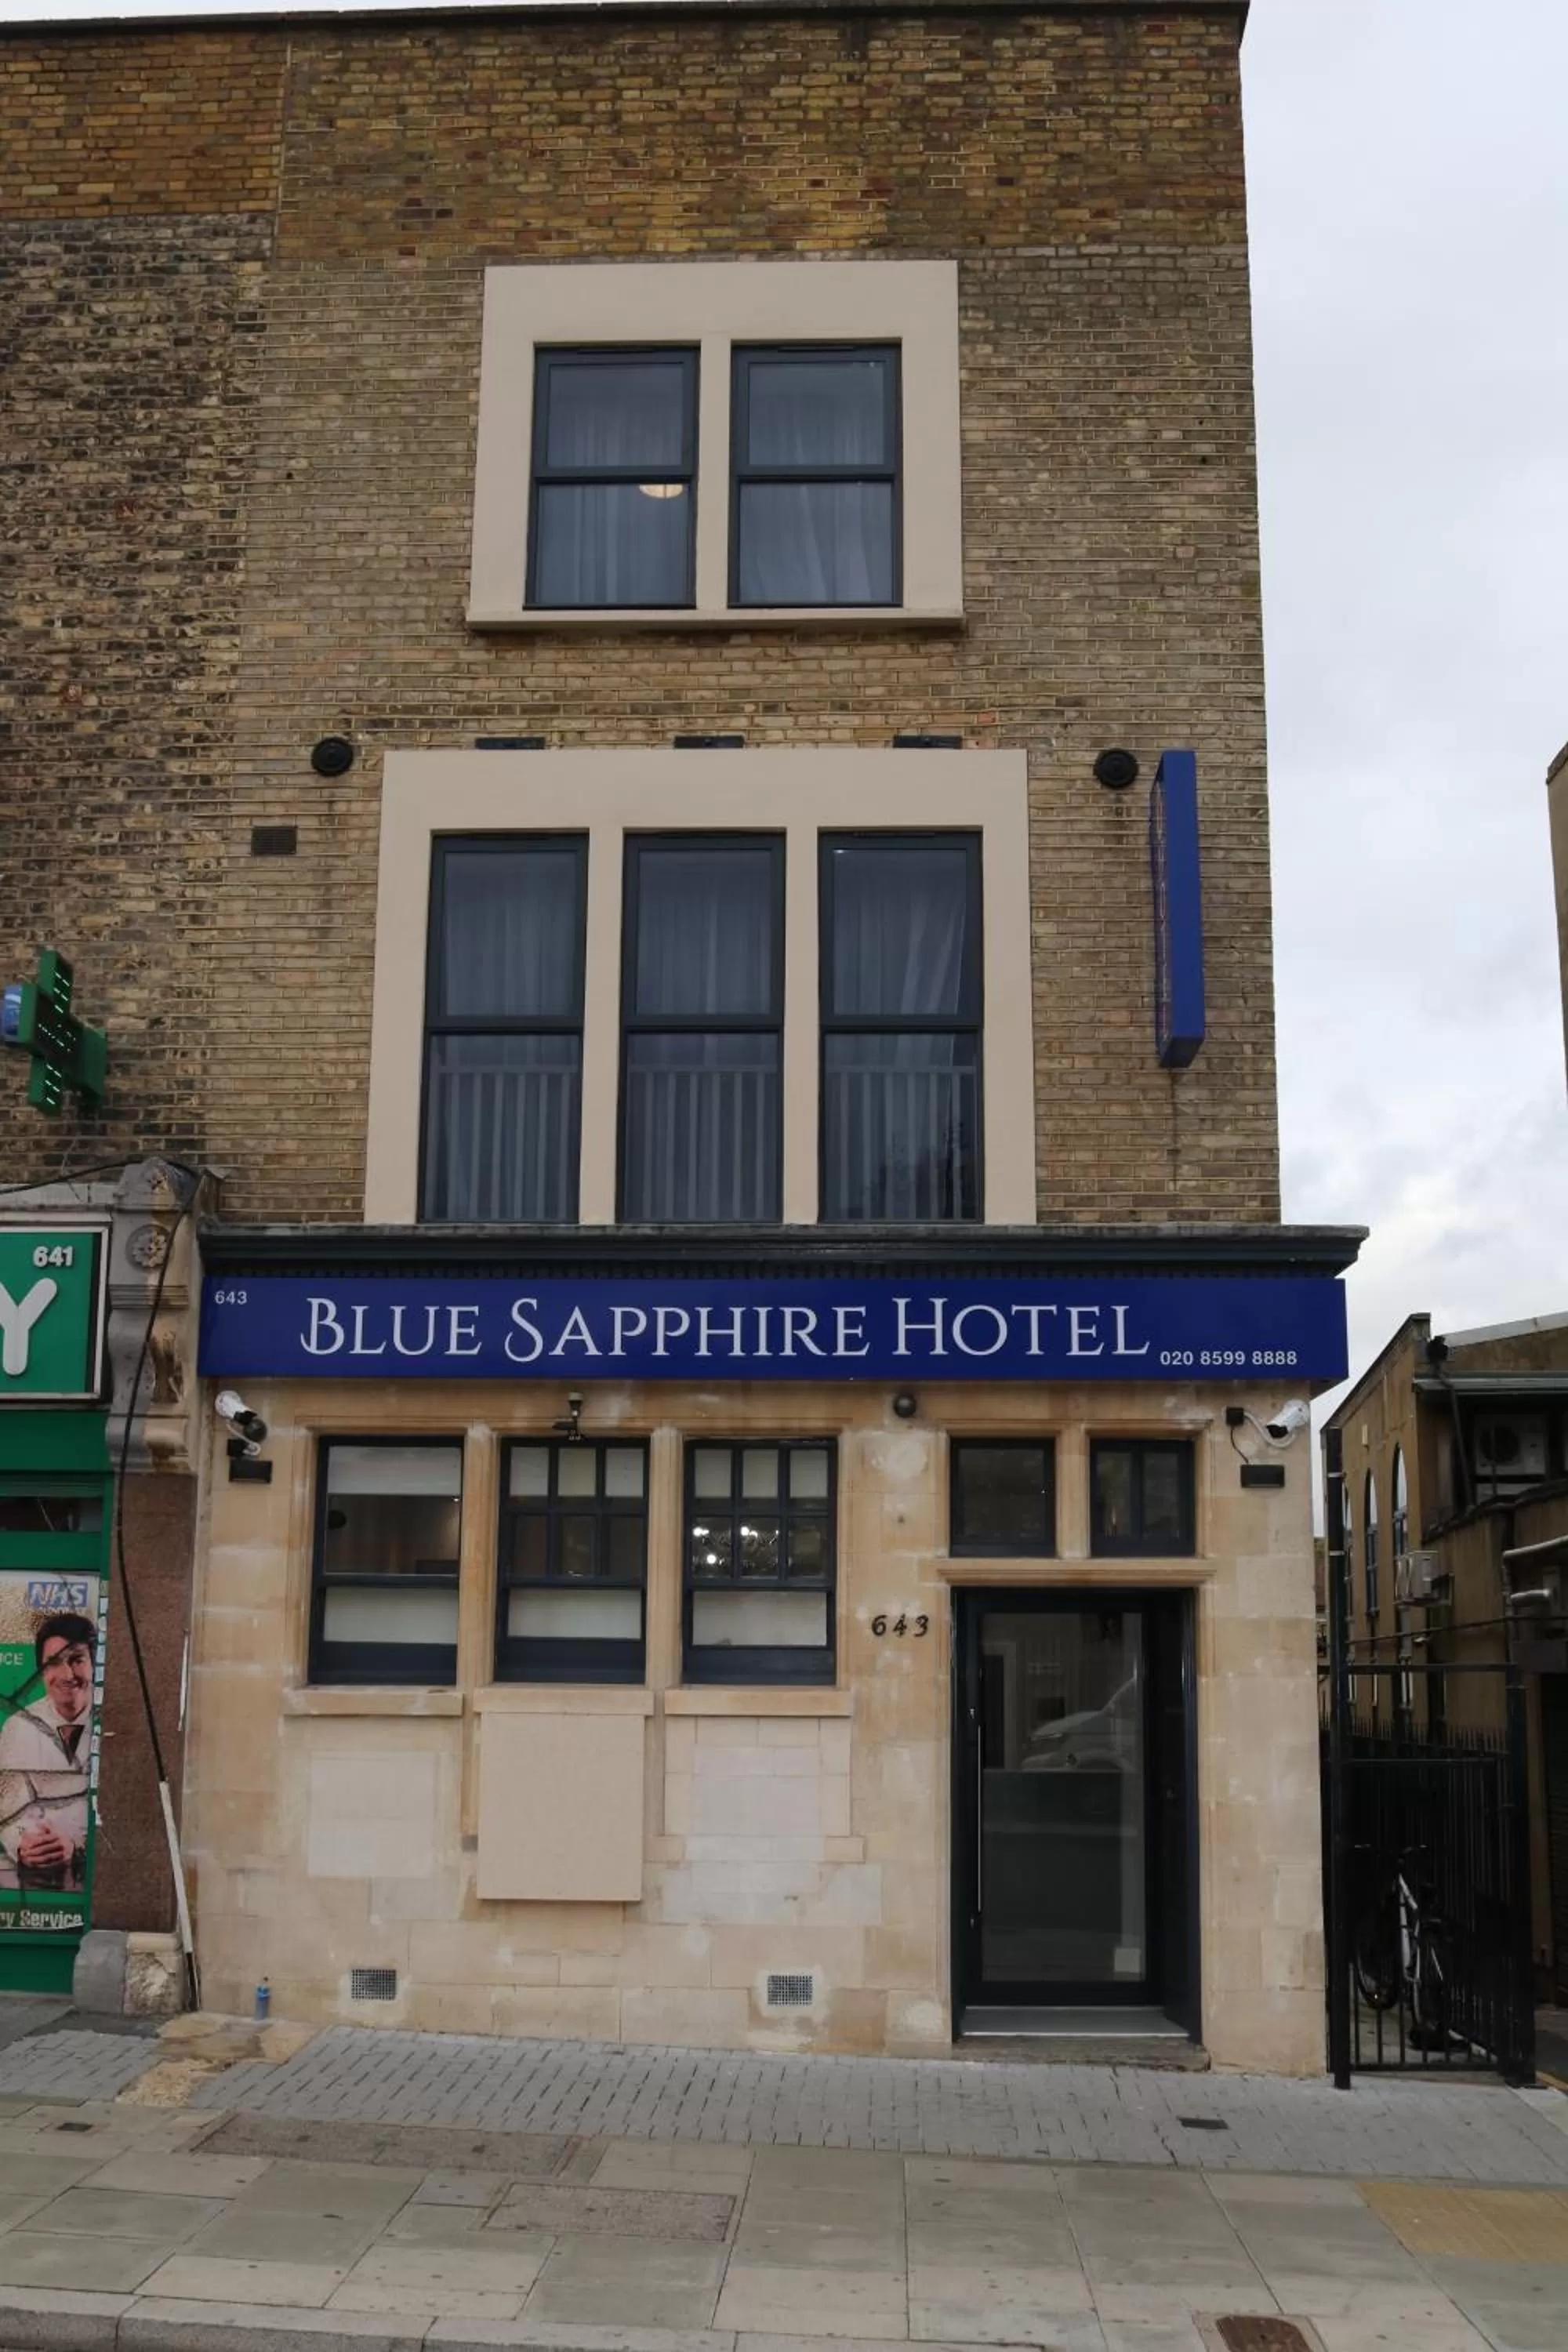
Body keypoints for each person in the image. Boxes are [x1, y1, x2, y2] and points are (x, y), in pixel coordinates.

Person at [0, 1613, 95, 1886]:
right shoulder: (18, 1726)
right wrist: (23, 1845)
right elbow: (7, 1811)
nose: (67, 1675)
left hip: (95, 1877)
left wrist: (77, 1847)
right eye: (53, 1662)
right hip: (32, 1875)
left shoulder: (112, 1722)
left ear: (94, 1664)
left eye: (77, 1660)